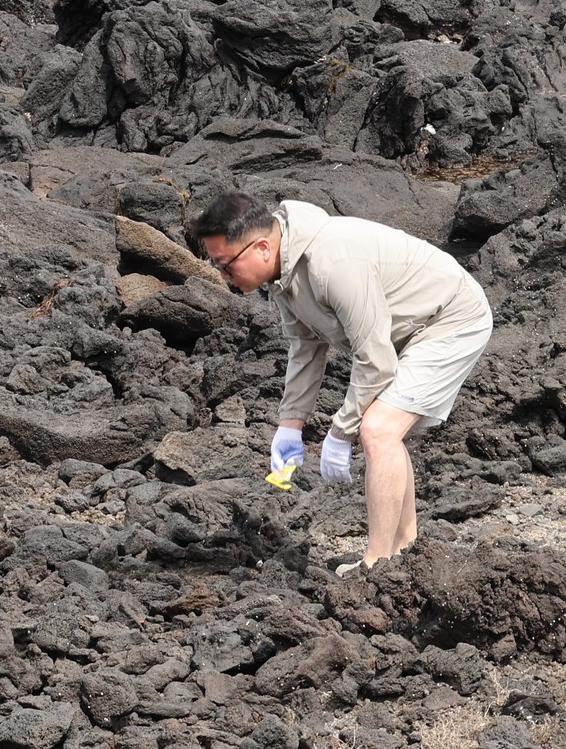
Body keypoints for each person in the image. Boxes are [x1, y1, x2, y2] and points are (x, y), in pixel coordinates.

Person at [190, 190, 494, 569]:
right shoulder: (284, 272)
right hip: (408, 328)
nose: (222, 276)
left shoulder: (332, 263)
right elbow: (305, 349)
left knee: (378, 430)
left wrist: (340, 432)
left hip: (451, 319)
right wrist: (289, 427)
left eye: (225, 265)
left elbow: (376, 362)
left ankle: (376, 564)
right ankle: (405, 551)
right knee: (383, 430)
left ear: (263, 248)